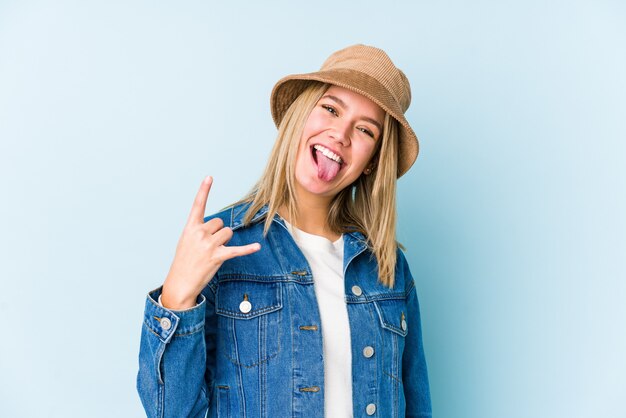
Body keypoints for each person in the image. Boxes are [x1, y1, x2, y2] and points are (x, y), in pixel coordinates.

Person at [137, 44, 432, 418]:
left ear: (372, 162)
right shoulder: (222, 243)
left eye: (364, 130)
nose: (340, 134)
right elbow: (169, 412)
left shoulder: (388, 269)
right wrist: (176, 295)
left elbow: (416, 404)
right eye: (330, 108)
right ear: (300, 115)